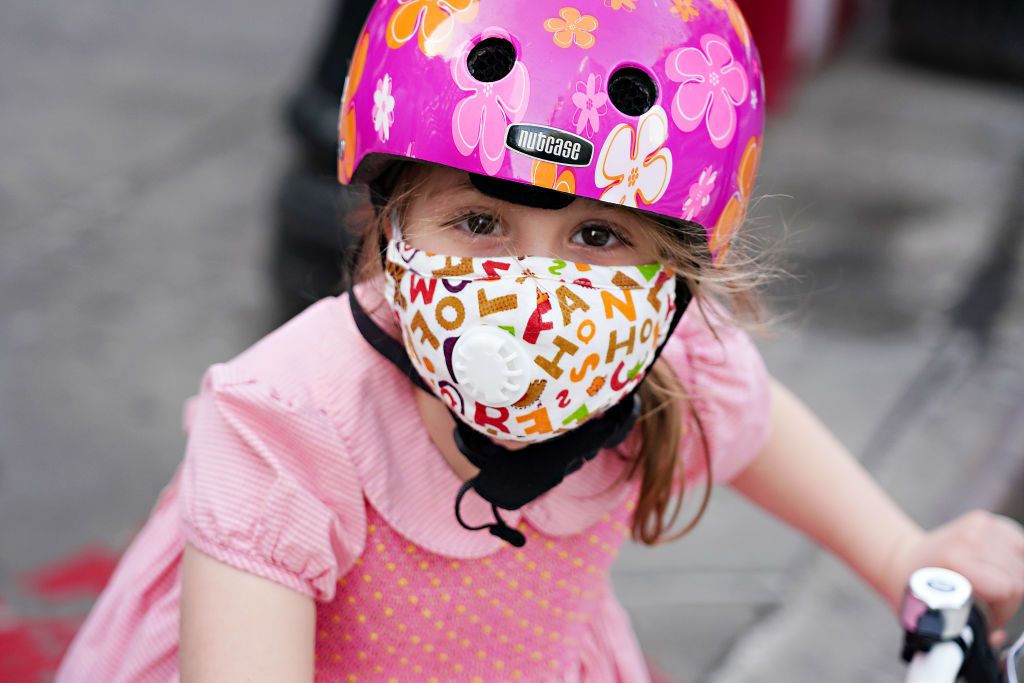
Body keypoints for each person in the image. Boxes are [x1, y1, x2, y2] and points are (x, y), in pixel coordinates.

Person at [56, 1, 1024, 681]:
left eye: (597, 237)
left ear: (676, 276)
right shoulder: (282, 429)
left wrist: (906, 550)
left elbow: (758, 426)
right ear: (388, 222)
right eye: (479, 223)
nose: (534, 297)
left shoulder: (660, 360)